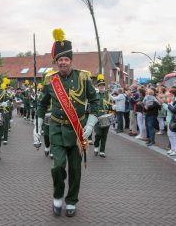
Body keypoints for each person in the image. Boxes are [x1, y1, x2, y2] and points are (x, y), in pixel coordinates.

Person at [34, 29, 98, 217]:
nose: (63, 62)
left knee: (76, 170)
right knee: (58, 166)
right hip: (56, 128)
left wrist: (90, 124)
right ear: (56, 62)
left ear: (71, 60)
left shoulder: (83, 77)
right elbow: (41, 105)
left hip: (78, 130)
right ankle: (57, 196)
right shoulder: (50, 80)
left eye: (66, 59)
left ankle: (71, 201)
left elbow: (95, 101)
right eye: (59, 60)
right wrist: (36, 129)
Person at [93, 74, 112, 157]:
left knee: (104, 135)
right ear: (98, 86)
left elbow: (111, 106)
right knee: (98, 134)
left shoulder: (108, 95)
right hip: (97, 117)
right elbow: (91, 105)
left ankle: (102, 151)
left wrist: (111, 114)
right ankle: (96, 145)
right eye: (100, 86)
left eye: (103, 85)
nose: (101, 87)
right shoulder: (95, 95)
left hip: (106, 117)